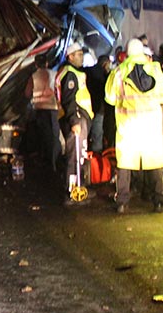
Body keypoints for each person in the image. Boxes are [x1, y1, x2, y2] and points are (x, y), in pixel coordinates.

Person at [105, 38, 163, 213]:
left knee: (125, 162)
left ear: (127, 52)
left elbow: (110, 98)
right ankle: (158, 200)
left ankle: (122, 202)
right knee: (154, 161)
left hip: (128, 124)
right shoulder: (155, 70)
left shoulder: (119, 72)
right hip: (150, 124)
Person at [57, 42, 94, 204]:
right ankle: (73, 193)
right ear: (70, 57)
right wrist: (74, 120)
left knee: (80, 155)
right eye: (78, 54)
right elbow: (68, 99)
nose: (81, 57)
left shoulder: (74, 73)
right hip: (76, 118)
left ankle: (80, 188)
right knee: (75, 157)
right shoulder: (70, 74)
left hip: (79, 117)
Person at [25, 54, 61, 171]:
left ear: (35, 64)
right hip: (53, 108)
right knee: (54, 135)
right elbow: (59, 91)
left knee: (44, 135)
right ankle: (55, 162)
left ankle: (45, 162)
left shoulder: (33, 76)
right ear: (46, 63)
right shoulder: (55, 74)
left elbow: (27, 93)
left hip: (40, 109)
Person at [86, 54, 111, 152]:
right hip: (99, 108)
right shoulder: (105, 75)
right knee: (97, 133)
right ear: (105, 64)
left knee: (87, 133)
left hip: (87, 107)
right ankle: (96, 158)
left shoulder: (88, 71)